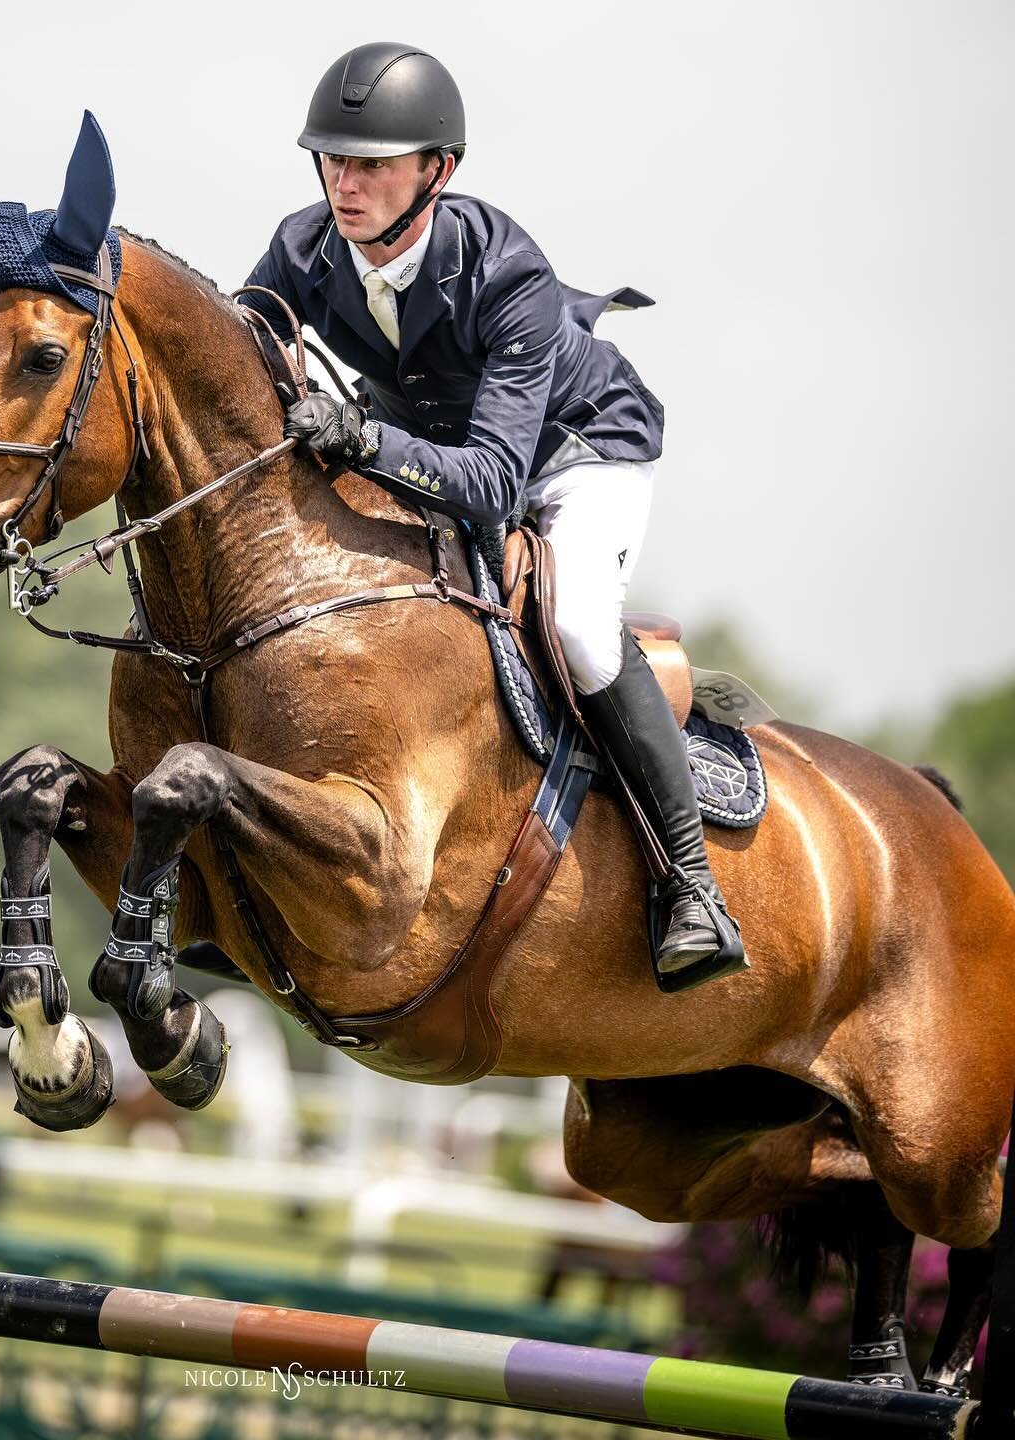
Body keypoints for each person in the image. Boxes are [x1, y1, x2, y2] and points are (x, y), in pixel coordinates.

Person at [241, 41, 742, 979]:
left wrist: (359, 438)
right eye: (333, 160)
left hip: (575, 451)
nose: (344, 185)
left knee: (581, 624)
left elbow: (489, 485)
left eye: (373, 166)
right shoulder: (304, 245)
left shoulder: (504, 271)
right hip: (437, 442)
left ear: (438, 171)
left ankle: (692, 886)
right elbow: (240, 356)